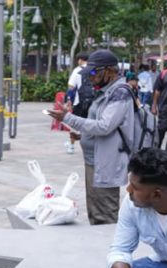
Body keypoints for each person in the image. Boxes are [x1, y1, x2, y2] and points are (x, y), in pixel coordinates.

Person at [48, 49, 134, 225]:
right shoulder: (106, 91)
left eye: (94, 73)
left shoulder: (120, 93)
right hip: (94, 159)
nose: (91, 77)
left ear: (110, 71)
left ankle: (108, 249)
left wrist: (68, 118)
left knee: (105, 214)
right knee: (95, 212)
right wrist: (82, 134)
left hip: (106, 161)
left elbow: (104, 126)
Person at [64, 52, 90, 154]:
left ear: (80, 60)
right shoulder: (94, 70)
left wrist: (68, 99)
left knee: (74, 124)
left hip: (80, 102)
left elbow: (71, 86)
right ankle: (90, 147)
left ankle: (71, 146)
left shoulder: (78, 70)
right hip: (93, 103)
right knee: (90, 124)